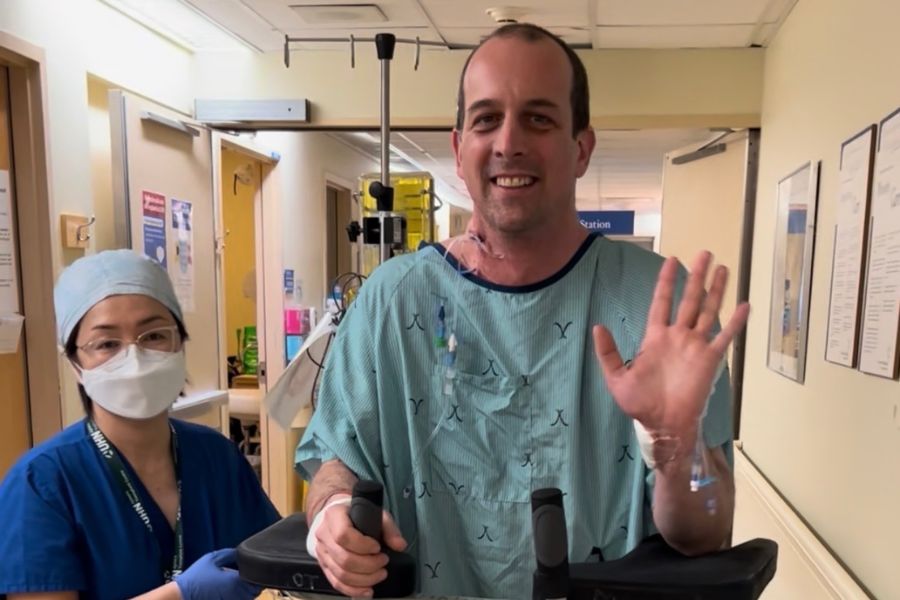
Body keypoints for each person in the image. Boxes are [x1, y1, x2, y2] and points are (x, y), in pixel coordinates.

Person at [295, 23, 750, 599]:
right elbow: (334, 458)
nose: (509, 142)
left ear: (580, 148)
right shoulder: (394, 300)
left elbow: (703, 535)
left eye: (539, 118)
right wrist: (331, 514)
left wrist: (676, 442)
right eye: (486, 119)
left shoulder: (656, 307)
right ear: (460, 151)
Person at [0, 250, 280, 599]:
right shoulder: (41, 484)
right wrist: (179, 595)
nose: (134, 356)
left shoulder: (216, 456)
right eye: (106, 343)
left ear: (180, 343)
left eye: (154, 336)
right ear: (75, 364)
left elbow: (274, 562)